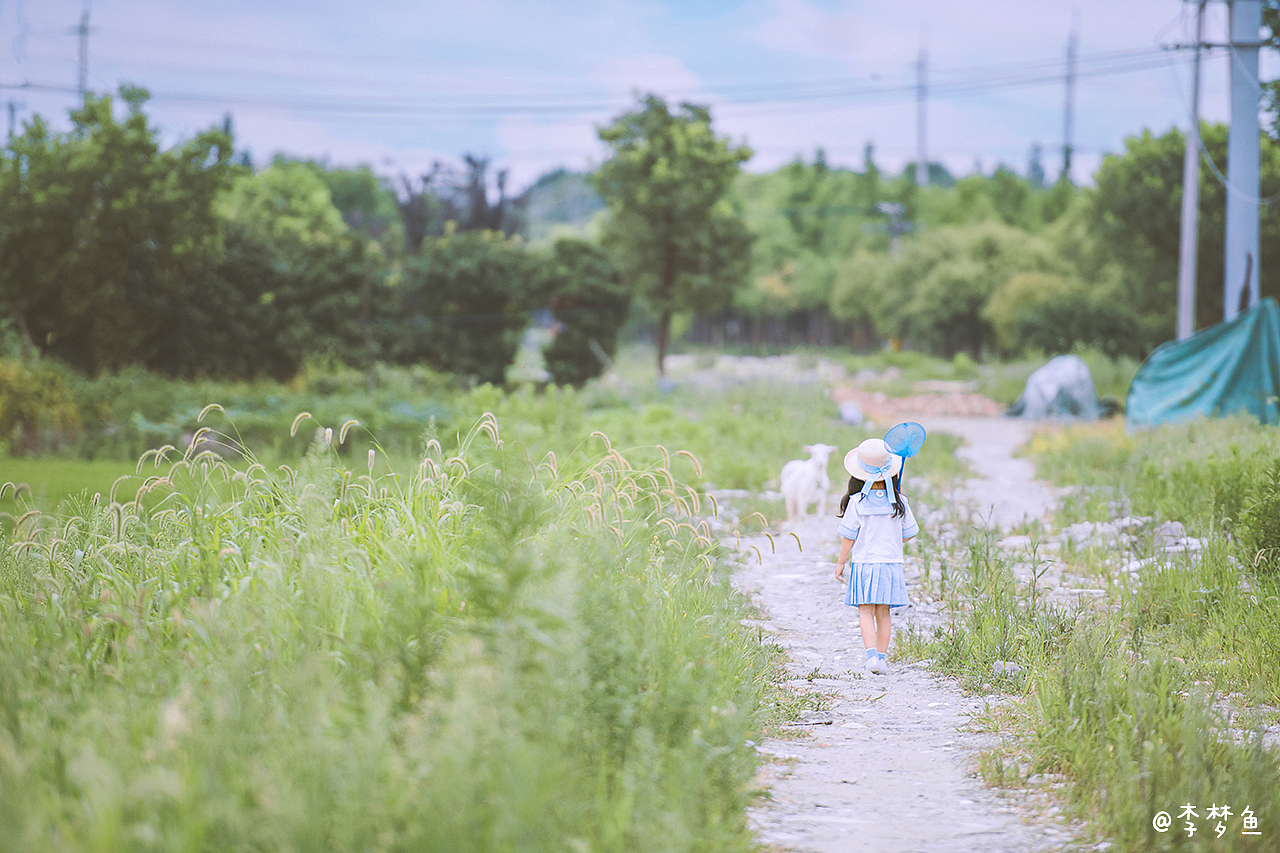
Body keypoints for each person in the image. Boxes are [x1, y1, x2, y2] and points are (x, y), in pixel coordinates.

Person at [833, 438, 918, 675]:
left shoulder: (857, 501)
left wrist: (840, 562)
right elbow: (909, 533)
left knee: (865, 611)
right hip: (891, 564)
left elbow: (849, 537)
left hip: (865, 564)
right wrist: (891, 540)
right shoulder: (900, 502)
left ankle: (870, 657)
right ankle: (881, 659)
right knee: (884, 613)